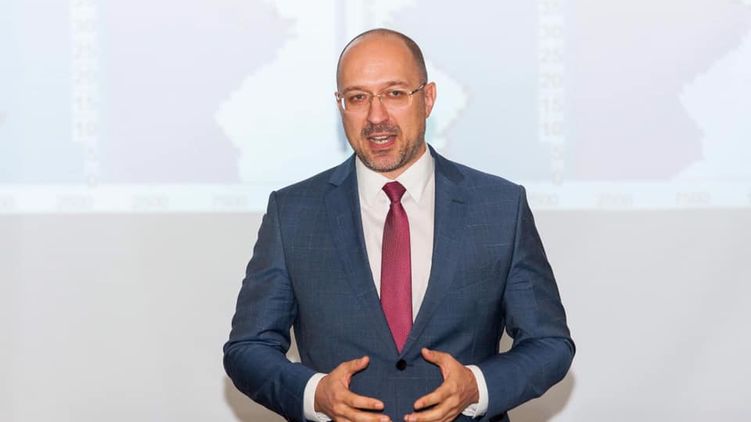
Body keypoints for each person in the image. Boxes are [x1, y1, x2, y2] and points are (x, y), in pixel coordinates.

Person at [224, 28, 574, 422]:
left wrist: (477, 387)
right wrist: (314, 394)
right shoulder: (292, 212)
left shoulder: (500, 206)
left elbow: (550, 344)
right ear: (340, 106)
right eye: (358, 98)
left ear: (428, 98)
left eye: (394, 93)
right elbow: (247, 348)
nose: (376, 117)